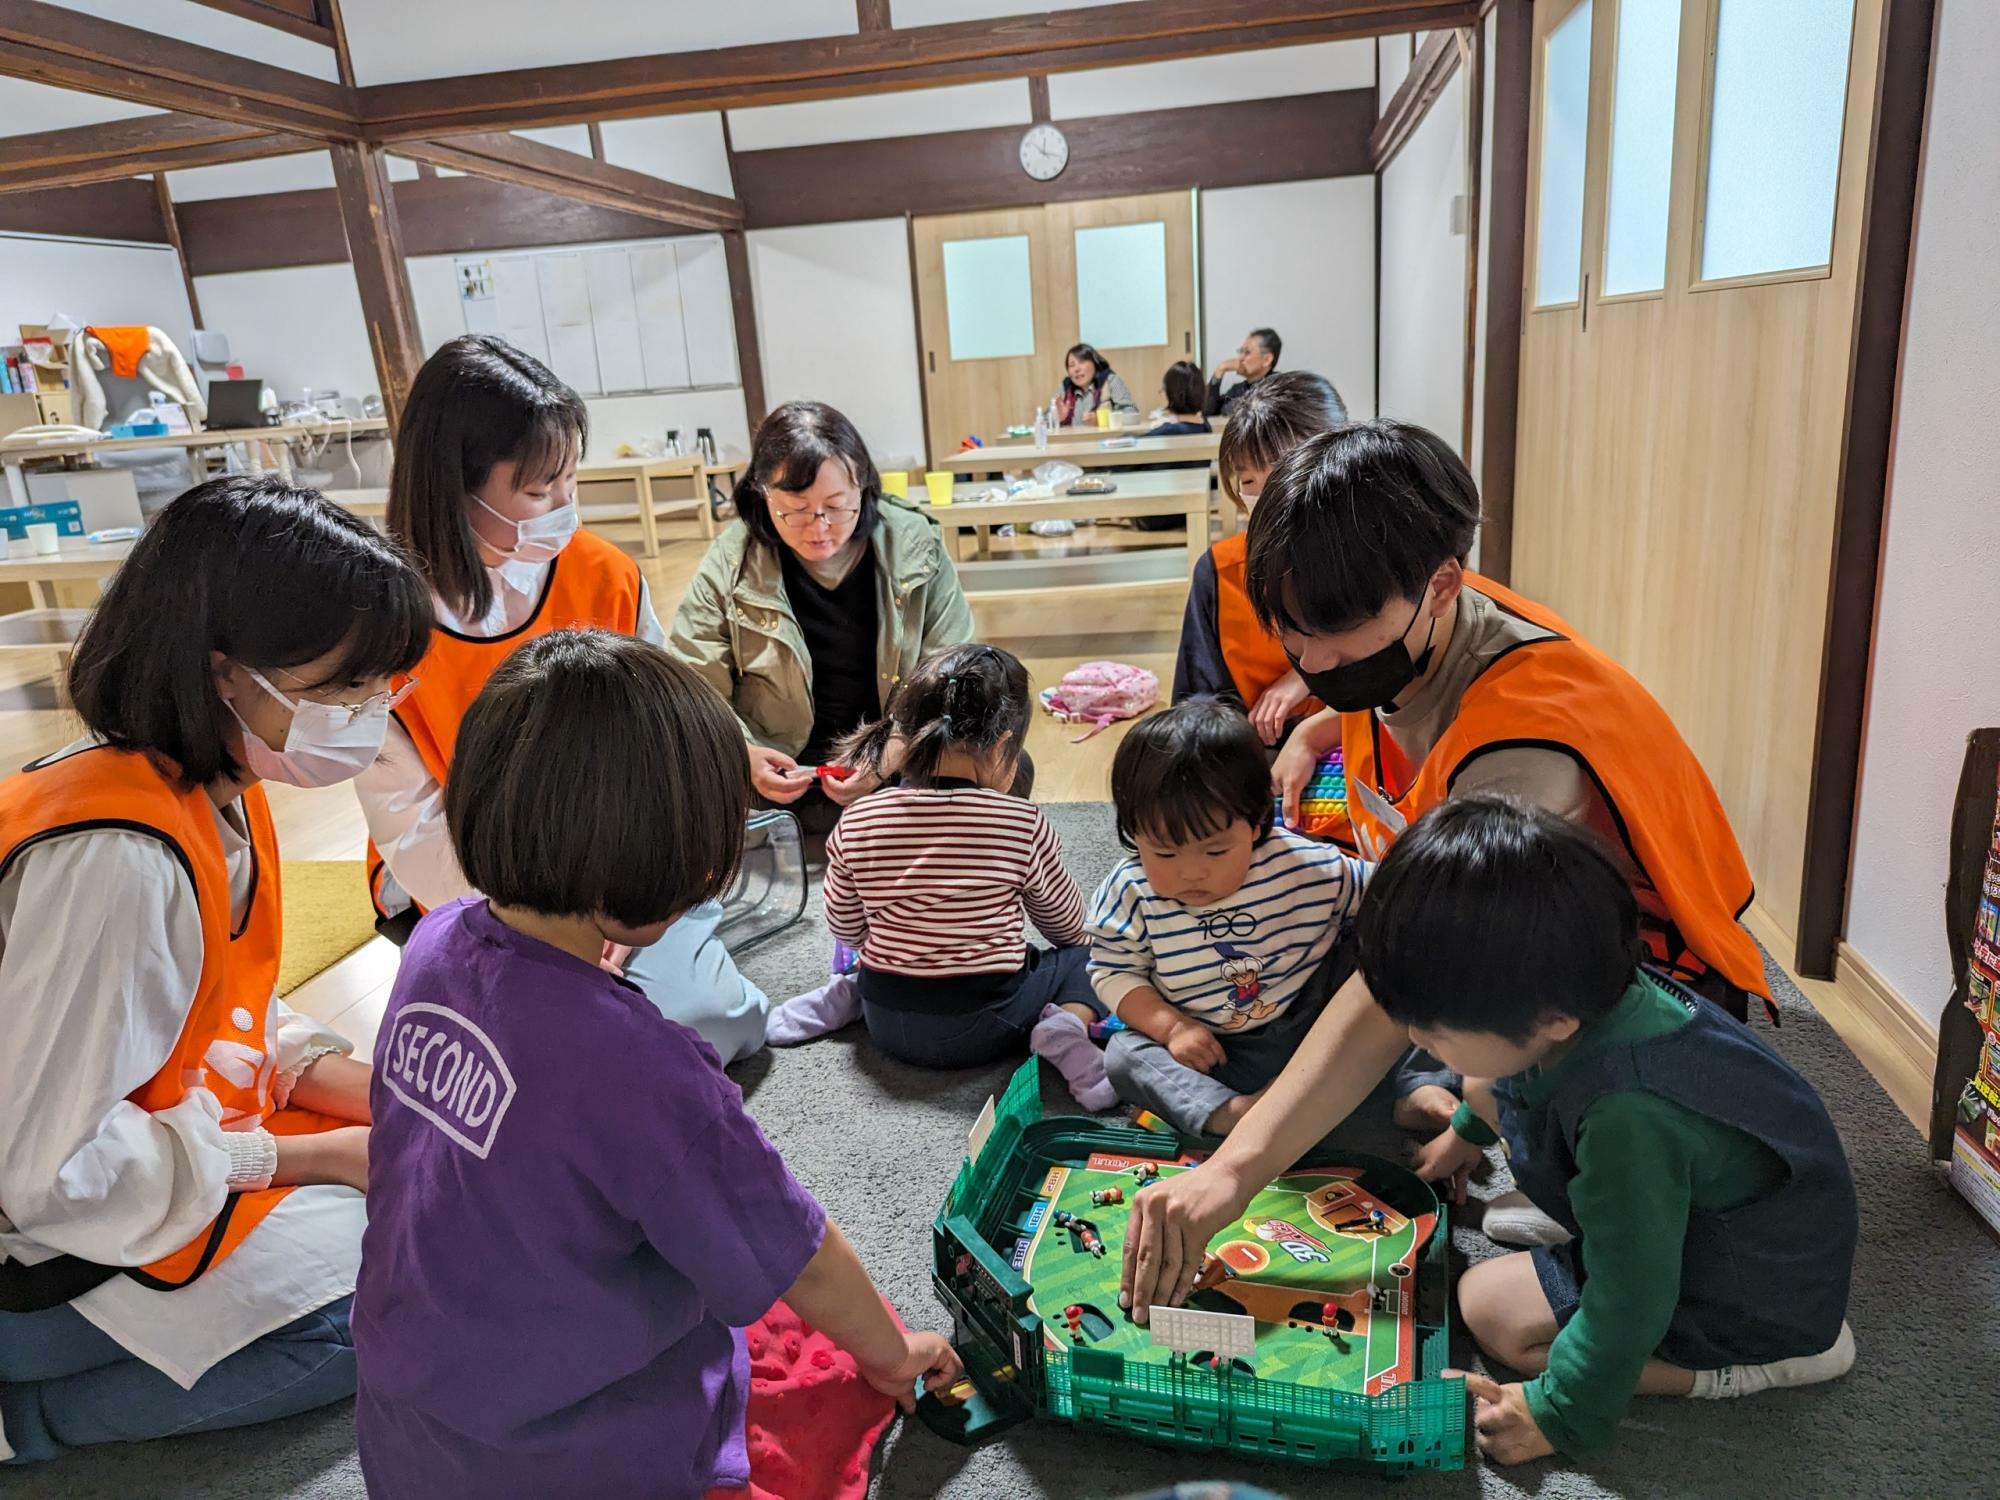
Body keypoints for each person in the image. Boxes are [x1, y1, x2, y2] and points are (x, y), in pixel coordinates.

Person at [1117, 419, 1779, 1320]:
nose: (1310, 662)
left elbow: (1405, 973)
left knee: (1508, 1184)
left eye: (1337, 634)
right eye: (1290, 632)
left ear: (1438, 587)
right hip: (1512, 939)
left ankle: (1587, 1166)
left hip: (1654, 994)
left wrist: (1232, 1174)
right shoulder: (1415, 634)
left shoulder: (1521, 745)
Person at [353, 629, 961, 1496]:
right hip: (572, 1462)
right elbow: (799, 1252)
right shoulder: (641, 1064)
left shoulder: (436, 940)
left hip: (410, 1437)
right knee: (822, 1346)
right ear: (671, 857)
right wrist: (896, 1354)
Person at [0, 477, 432, 1463]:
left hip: (119, 1160)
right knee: (387, 1312)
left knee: (420, 1218)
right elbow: (51, 1172)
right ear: (225, 673)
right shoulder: (116, 854)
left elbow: (223, 1009)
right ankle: (29, 1423)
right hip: (42, 1230)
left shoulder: (210, 786)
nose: (370, 717)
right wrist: (308, 1154)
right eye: (343, 692)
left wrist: (367, 1094)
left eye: (380, 691)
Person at [1356, 796, 1857, 1464]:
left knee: (1491, 1313)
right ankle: (1601, 1217)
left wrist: (1557, 1412)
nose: (1415, 1038)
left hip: (1757, 1289)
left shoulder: (1630, 1117)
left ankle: (1763, 1365)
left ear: (1553, 1018)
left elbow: (1630, 1301)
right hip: (1692, 1210)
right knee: (1479, 1080)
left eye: (1433, 1028)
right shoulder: (1580, 987)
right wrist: (1464, 1136)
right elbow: (1499, 1082)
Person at [357, 333, 768, 1063]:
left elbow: (664, 732)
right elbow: (412, 826)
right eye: (539, 490)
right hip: (477, 889)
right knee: (541, 1057)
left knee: (706, 1028)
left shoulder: (604, 575)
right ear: (453, 484)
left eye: (570, 483)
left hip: (619, 864)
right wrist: (553, 931)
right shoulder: (382, 628)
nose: (562, 508)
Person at [771, 645, 1115, 1109]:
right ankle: (1063, 1028)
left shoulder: (857, 818)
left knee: (877, 958)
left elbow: (848, 930)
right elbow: (1066, 927)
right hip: (985, 1027)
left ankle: (848, 995)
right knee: (1087, 957)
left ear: (902, 741)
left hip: (885, 1020)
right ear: (1001, 748)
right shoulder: (1021, 822)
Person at [1090, 699, 1402, 1140]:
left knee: (1398, 957)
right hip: (1218, 1050)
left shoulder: (1301, 864)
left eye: (1215, 851)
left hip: (1320, 1026)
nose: (1191, 870)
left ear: (1256, 825)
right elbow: (1113, 973)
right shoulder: (1131, 892)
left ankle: (1417, 1087)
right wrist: (1173, 1028)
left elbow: (1390, 893)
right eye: (1164, 852)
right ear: (1131, 832)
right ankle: (1233, 1113)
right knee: (1123, 1054)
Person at [670, 400, 977, 837]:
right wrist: (744, 753)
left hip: (893, 759)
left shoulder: (914, 545)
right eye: (794, 510)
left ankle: (851, 825)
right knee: (667, 775)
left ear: (864, 488)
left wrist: (893, 748)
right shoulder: (732, 560)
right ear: (762, 494)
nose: (819, 528)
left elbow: (955, 669)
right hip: (780, 770)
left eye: (836, 506)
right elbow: (691, 684)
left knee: (1000, 763)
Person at [1172, 371, 1348, 745]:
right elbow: (1198, 701)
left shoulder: (1375, 554)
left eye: (1282, 473)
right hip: (1256, 753)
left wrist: (1303, 680)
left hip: (1362, 744)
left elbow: (1406, 682)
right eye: (1248, 481)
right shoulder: (1221, 570)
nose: (1265, 497)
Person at [1051, 343, 1139, 428]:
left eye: (1082, 362)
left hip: (1104, 441)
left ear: (1095, 363)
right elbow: (1042, 421)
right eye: (1072, 365)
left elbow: (1132, 414)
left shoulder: (1110, 380)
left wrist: (1101, 420)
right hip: (1073, 442)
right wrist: (1056, 418)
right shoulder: (1065, 387)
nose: (1077, 369)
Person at [1204, 327, 1281, 420]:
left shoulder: (1278, 387)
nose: (1240, 358)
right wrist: (1220, 370)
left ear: (1267, 359)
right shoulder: (1238, 389)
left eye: (1247, 352)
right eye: (1241, 351)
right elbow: (1209, 411)